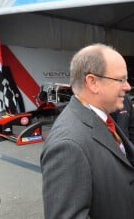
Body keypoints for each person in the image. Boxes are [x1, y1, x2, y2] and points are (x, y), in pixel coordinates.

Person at [40, 43, 134, 219]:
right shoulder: (68, 145)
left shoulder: (101, 118)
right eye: (121, 80)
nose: (128, 86)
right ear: (93, 82)